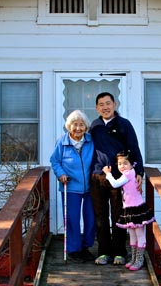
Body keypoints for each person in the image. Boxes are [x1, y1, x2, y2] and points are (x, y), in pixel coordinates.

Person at [90, 92, 145, 265]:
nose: (105, 107)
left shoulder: (124, 124)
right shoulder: (95, 126)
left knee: (118, 215)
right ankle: (103, 252)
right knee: (100, 216)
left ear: (114, 104)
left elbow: (134, 149)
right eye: (101, 104)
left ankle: (120, 252)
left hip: (119, 178)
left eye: (108, 103)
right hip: (98, 176)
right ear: (97, 108)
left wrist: (139, 173)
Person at [50, 109, 96, 263]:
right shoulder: (62, 143)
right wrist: (60, 174)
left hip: (91, 186)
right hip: (70, 186)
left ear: (86, 127)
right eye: (74, 125)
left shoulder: (91, 141)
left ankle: (86, 247)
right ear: (69, 126)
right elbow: (55, 161)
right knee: (72, 219)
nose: (78, 128)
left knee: (91, 218)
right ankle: (73, 249)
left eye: (81, 125)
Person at [103, 150, 155, 271]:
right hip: (128, 208)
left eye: (125, 163)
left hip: (136, 209)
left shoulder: (129, 173)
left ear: (132, 164)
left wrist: (108, 173)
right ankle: (133, 259)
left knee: (139, 234)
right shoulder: (127, 173)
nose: (122, 166)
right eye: (120, 163)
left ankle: (139, 260)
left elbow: (115, 184)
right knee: (131, 234)